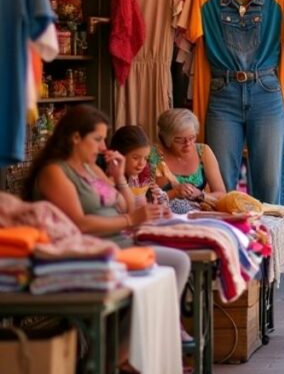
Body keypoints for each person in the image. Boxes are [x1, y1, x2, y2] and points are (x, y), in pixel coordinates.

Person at [28, 105, 191, 297]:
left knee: (179, 261)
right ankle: (135, 326)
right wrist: (130, 220)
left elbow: (125, 207)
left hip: (120, 244)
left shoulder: (92, 170)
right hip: (93, 252)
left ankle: (156, 325)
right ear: (76, 138)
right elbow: (80, 224)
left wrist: (119, 177)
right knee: (176, 263)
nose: (104, 147)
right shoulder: (55, 172)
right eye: (98, 139)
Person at [148, 109, 228, 209]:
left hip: (197, 215)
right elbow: (143, 199)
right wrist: (174, 193)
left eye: (192, 138)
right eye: (180, 140)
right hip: (162, 214)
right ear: (166, 138)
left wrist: (200, 195)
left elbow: (222, 194)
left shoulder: (203, 152)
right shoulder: (152, 155)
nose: (188, 144)